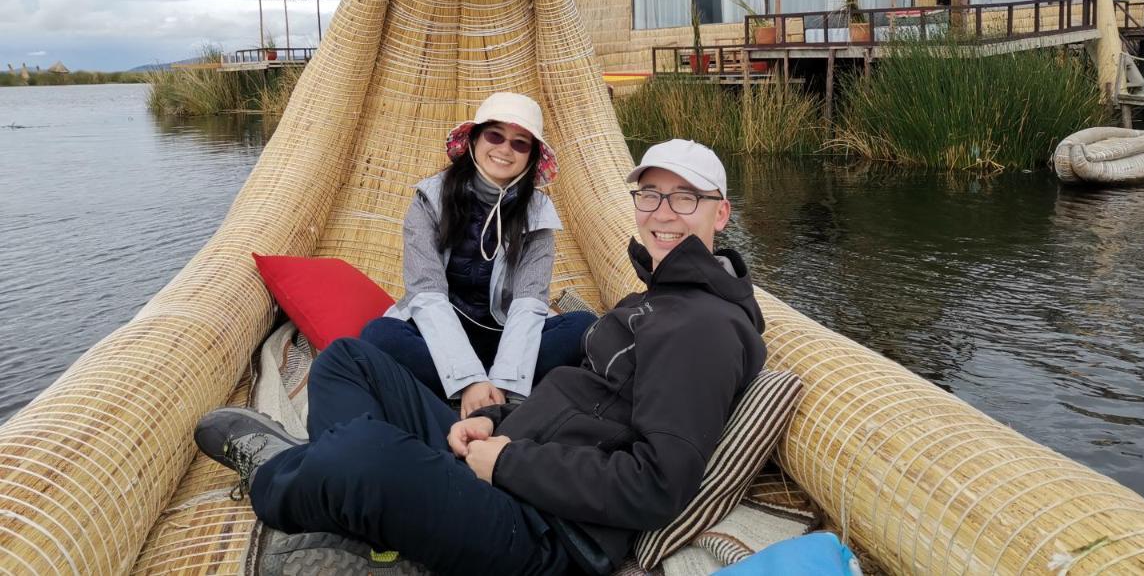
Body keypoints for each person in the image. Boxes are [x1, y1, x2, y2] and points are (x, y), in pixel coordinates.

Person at [195, 139, 766, 576]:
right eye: (650, 195)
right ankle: (368, 506)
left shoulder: (702, 326)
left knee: (362, 451)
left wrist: (506, 463)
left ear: (721, 214)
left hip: (541, 528)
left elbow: (656, 486)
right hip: (511, 451)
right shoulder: (660, 297)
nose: (663, 213)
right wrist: (492, 422)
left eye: (685, 198)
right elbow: (575, 396)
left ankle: (275, 475)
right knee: (348, 358)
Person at [360, 91, 595, 416]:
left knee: (584, 327)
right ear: (473, 140)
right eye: (495, 136)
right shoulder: (430, 199)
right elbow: (426, 294)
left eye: (519, 143)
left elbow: (529, 302)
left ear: (531, 155)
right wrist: (468, 378)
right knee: (378, 335)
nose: (504, 150)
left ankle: (492, 395)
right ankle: (471, 392)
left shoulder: (538, 213)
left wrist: (505, 381)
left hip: (503, 336)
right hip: (439, 333)